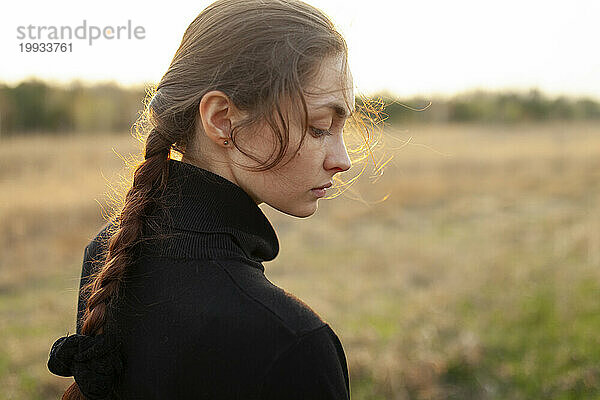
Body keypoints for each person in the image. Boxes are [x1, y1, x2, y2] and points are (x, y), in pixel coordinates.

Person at [48, 0, 362, 398]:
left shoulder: (107, 251)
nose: (343, 160)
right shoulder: (291, 342)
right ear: (221, 119)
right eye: (319, 127)